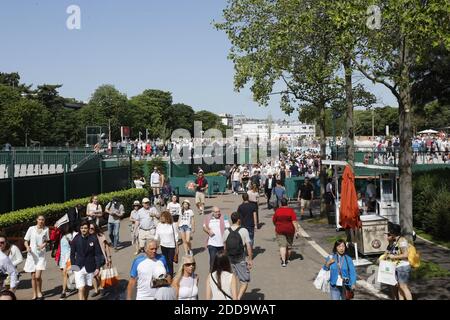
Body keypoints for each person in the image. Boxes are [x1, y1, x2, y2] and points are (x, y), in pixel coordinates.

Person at [70, 221, 104, 300]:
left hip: (90, 267)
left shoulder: (93, 239)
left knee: (87, 287)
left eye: (85, 228)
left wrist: (98, 267)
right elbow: (72, 254)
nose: (83, 230)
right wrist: (74, 267)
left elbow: (98, 254)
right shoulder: (76, 239)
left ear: (88, 229)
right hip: (78, 267)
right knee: (81, 288)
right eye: (81, 228)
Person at [223, 212, 253, 300]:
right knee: (244, 281)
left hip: (229, 258)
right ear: (239, 220)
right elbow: (248, 246)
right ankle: (237, 298)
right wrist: (250, 259)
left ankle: (231, 296)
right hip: (240, 259)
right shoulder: (243, 230)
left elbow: (224, 247)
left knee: (232, 279)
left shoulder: (226, 231)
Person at [384, 224, 413, 300]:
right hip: (398, 267)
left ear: (393, 232)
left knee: (404, 287)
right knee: (400, 288)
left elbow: (406, 255)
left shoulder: (402, 240)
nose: (389, 234)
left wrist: (394, 257)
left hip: (403, 267)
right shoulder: (395, 241)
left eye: (390, 232)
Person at [23, 215, 49, 300]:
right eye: (39, 219)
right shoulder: (31, 228)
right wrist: (27, 247)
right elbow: (26, 241)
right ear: (36, 220)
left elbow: (46, 241)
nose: (41, 221)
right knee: (33, 276)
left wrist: (43, 245)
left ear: (44, 221)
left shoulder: (46, 229)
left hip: (41, 255)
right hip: (32, 255)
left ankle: (39, 291)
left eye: (43, 220)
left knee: (38, 276)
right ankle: (35, 293)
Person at [272, 199, 300, 267]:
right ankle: (288, 258)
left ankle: (283, 262)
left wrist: (277, 225)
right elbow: (294, 221)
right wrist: (297, 230)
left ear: (281, 204)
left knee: (282, 245)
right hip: (290, 230)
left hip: (280, 230)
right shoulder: (291, 211)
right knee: (289, 245)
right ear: (287, 203)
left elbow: (274, 220)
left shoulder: (277, 211)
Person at [88, 223, 111, 298]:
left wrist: (109, 257)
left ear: (95, 229)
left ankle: (101, 287)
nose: (90, 230)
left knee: (100, 274)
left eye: (92, 228)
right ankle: (96, 290)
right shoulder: (87, 237)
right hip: (91, 258)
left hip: (100, 257)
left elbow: (106, 247)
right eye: (89, 228)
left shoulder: (100, 236)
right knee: (93, 275)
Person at [154, 211, 179, 277]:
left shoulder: (173, 225)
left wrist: (177, 248)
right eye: (161, 217)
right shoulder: (159, 225)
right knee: (165, 260)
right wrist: (155, 242)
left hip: (171, 246)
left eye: (163, 217)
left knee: (170, 261)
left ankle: (170, 275)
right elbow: (156, 235)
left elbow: (176, 236)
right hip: (163, 245)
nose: (161, 218)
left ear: (167, 217)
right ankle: (165, 273)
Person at [203, 207, 226, 271]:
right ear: (212, 212)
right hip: (212, 244)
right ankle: (211, 275)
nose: (218, 213)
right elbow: (204, 227)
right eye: (216, 212)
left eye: (219, 211)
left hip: (221, 244)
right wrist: (208, 231)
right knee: (212, 261)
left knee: (221, 262)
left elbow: (228, 229)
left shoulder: (224, 217)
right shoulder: (208, 218)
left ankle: (220, 276)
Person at [55, 224, 73, 299]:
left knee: (65, 274)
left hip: (67, 257)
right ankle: (70, 286)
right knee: (64, 274)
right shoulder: (61, 236)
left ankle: (63, 291)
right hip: (62, 258)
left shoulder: (69, 235)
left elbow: (72, 247)